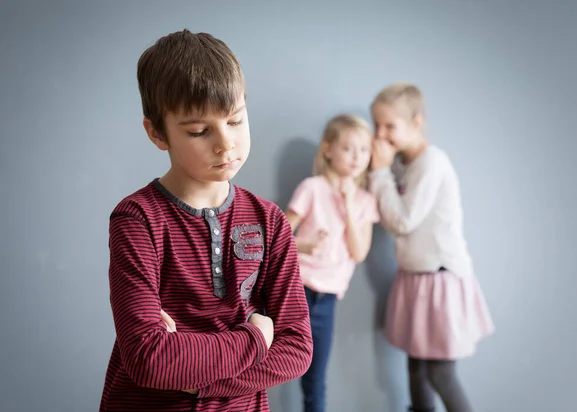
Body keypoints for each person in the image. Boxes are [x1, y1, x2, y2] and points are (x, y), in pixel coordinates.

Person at [99, 29, 313, 412]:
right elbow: (150, 359)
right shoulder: (137, 220)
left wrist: (198, 380)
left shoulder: (270, 221)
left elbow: (296, 347)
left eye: (235, 121)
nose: (225, 144)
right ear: (157, 133)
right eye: (199, 130)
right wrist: (256, 338)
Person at [369, 83, 495, 412]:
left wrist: (380, 171)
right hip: (415, 276)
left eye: (389, 126)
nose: (380, 135)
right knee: (416, 368)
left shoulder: (431, 162)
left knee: (440, 371)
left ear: (416, 123)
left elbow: (402, 220)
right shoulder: (405, 164)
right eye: (376, 125)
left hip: (439, 277)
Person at [285, 114, 380, 412]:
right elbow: (280, 236)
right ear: (328, 149)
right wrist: (306, 245)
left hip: (327, 301)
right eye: (348, 148)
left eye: (363, 150)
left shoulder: (365, 201)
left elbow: (359, 251)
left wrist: (350, 205)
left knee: (315, 378)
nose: (356, 157)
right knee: (267, 362)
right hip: (295, 290)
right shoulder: (312, 187)